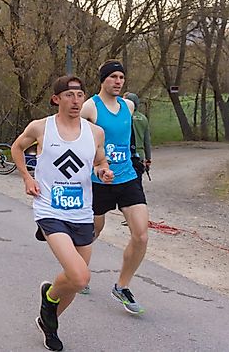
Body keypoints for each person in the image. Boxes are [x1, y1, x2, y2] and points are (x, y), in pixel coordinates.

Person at [11, 76, 113, 351]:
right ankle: (50, 301)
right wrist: (27, 177)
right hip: (49, 209)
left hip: (81, 212)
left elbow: (99, 160)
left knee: (75, 283)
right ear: (56, 99)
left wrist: (102, 170)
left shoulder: (94, 132)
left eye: (80, 95)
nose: (75, 100)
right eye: (69, 95)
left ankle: (49, 320)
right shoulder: (41, 127)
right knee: (80, 276)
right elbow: (16, 148)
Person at [80, 60, 149, 315]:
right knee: (93, 231)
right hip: (99, 181)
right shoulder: (89, 107)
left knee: (141, 234)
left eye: (121, 77)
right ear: (103, 80)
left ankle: (122, 286)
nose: (118, 81)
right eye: (113, 77)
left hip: (127, 178)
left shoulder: (128, 106)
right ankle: (78, 271)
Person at [124, 93, 151, 183]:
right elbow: (147, 141)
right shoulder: (143, 118)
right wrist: (148, 158)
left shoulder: (124, 117)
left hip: (126, 154)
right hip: (140, 155)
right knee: (138, 182)